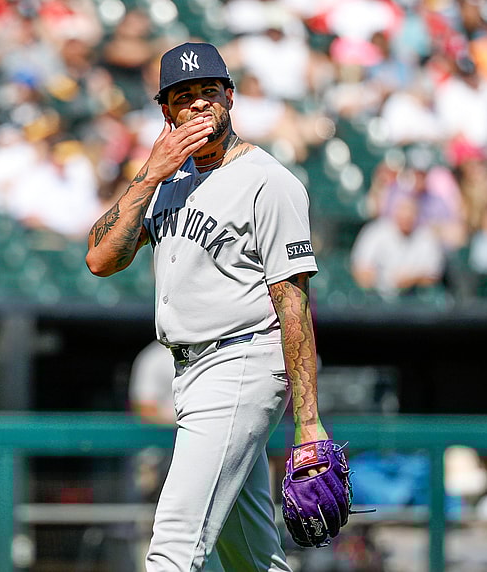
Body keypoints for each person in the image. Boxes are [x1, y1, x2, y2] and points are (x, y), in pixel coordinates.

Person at [86, 41, 334, 572]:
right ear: (166, 110)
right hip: (189, 371)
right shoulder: (165, 179)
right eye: (183, 96)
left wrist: (308, 421)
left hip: (241, 361)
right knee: (249, 558)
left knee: (174, 544)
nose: (197, 104)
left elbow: (293, 302)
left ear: (229, 96)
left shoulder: (270, 182)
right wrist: (149, 175)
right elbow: (101, 258)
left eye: (207, 92)